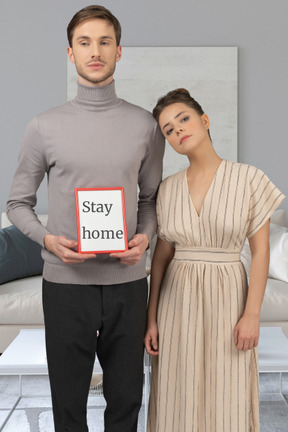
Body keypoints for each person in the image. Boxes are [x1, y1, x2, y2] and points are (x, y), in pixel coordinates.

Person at [7, 5, 164, 432]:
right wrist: (48, 241)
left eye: (105, 42)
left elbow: (149, 201)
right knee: (69, 406)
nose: (95, 51)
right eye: (84, 42)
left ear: (118, 52)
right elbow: (18, 203)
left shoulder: (144, 125)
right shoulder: (44, 126)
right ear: (70, 53)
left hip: (128, 285)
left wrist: (145, 239)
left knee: (127, 400)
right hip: (64, 286)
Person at [144, 88, 285, 432]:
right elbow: (160, 259)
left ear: (205, 121)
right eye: (168, 130)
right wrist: (151, 318)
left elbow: (261, 253)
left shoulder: (249, 178)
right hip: (176, 301)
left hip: (228, 296)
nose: (178, 130)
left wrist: (252, 315)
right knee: (177, 391)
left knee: (229, 388)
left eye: (184, 119)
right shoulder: (168, 188)